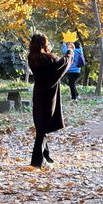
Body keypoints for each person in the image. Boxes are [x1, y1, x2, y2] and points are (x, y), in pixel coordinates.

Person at [27, 33, 74, 169]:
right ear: (44, 44)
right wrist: (70, 51)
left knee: (41, 125)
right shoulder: (49, 59)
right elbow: (63, 64)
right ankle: (36, 161)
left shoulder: (33, 58)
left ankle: (45, 156)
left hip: (38, 93)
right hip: (48, 95)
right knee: (42, 128)